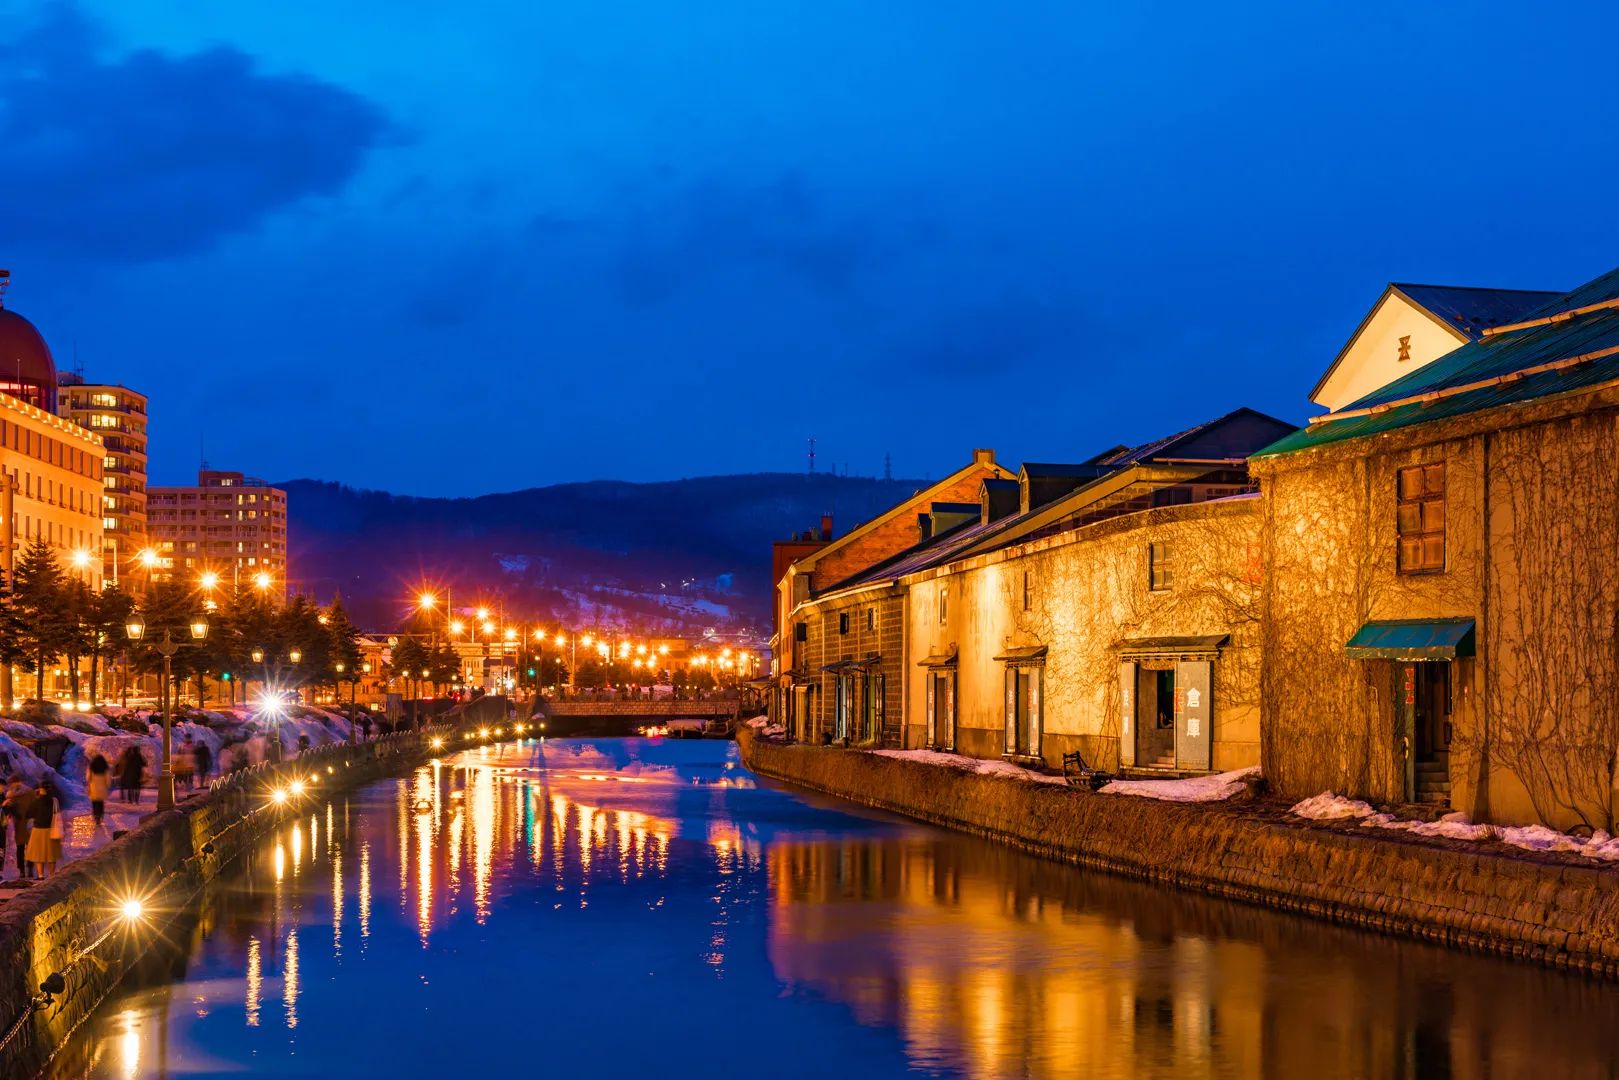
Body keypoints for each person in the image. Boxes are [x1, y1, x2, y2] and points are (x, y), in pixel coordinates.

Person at [25, 781, 61, 877]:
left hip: (38, 830)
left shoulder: (35, 802)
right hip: (51, 830)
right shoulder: (54, 801)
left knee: (39, 855)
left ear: (40, 789)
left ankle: (40, 875)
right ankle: (51, 875)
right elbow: (57, 814)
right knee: (51, 856)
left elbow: (28, 814)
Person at [2, 776, 31, 878]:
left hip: (20, 823)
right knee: (29, 847)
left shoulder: (10, 796)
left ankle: (22, 870)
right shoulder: (29, 792)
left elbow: (6, 811)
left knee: (21, 847)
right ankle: (29, 869)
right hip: (29, 823)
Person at [87, 755, 111, 828]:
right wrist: (108, 786)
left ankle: (96, 817)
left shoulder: (91, 768)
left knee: (94, 803)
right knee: (101, 803)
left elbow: (88, 777)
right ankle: (100, 816)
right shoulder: (105, 769)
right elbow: (108, 780)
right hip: (102, 788)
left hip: (93, 788)